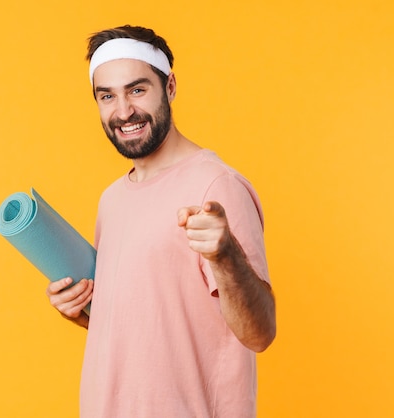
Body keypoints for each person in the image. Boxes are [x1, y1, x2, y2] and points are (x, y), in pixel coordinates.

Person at [46, 25, 276, 418]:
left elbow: (260, 333)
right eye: (107, 96)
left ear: (169, 86)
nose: (123, 112)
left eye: (137, 90)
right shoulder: (112, 199)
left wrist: (226, 256)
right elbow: (149, 325)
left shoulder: (216, 186)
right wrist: (83, 310)